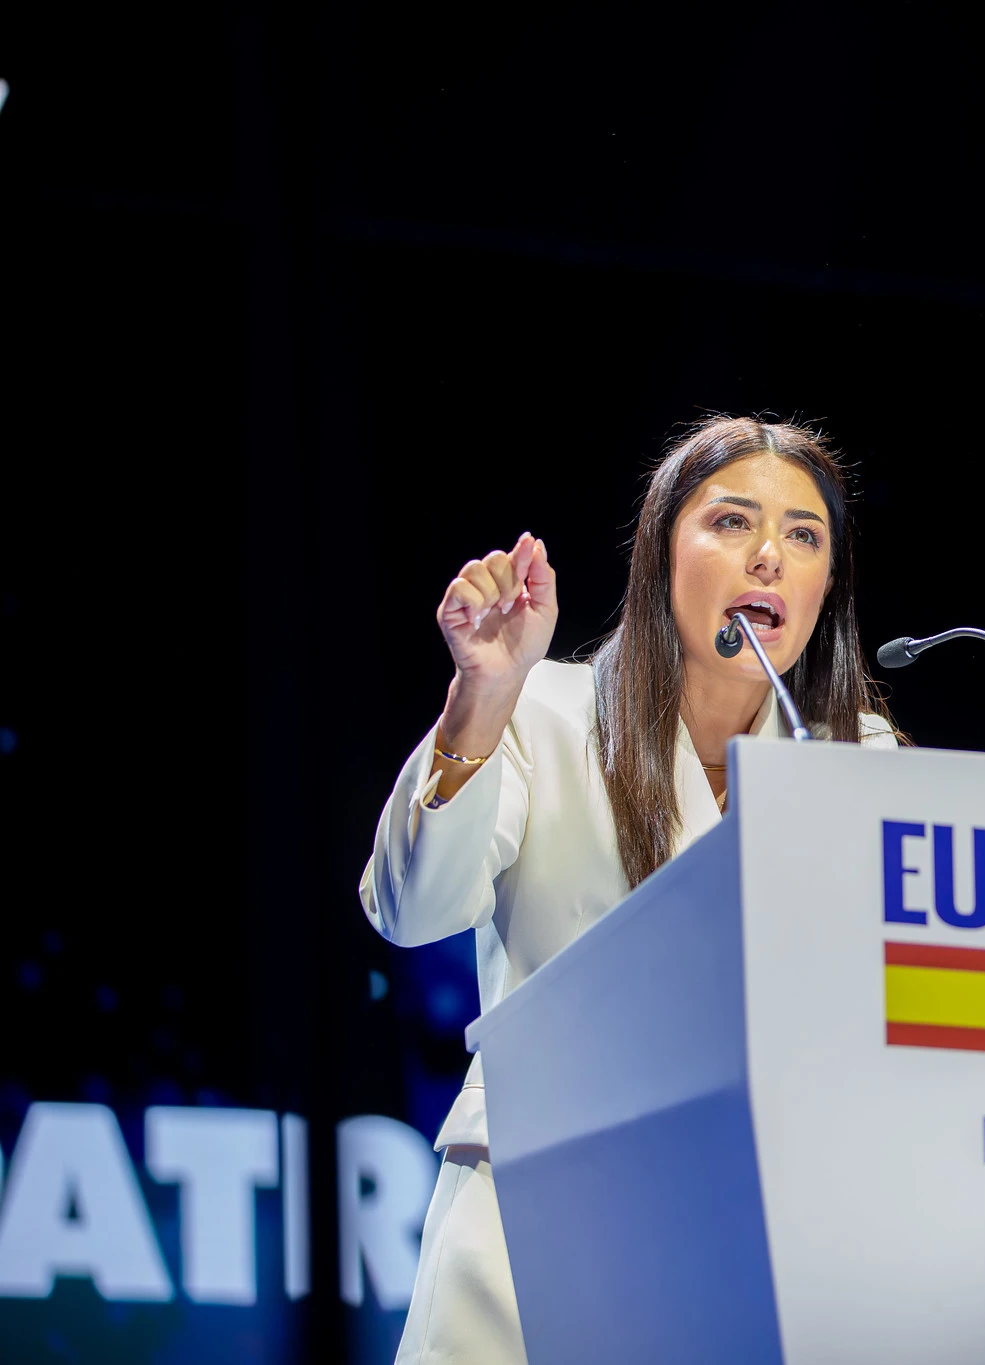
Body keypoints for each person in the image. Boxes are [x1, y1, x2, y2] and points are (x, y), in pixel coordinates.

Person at [358, 416, 899, 1363]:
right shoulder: (546, 711)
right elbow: (410, 913)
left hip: (755, 1240)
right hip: (530, 1225)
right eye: (732, 522)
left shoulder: (862, 760)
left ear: (828, 586)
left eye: (804, 536)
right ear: (662, 553)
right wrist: (480, 692)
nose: (769, 555)